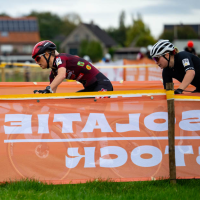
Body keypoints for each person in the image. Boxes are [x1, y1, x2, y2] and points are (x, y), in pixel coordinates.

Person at [32, 40, 113, 94]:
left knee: (96, 114)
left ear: (46, 54)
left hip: (102, 84)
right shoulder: (53, 74)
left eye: (38, 58)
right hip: (91, 88)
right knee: (71, 103)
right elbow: (51, 94)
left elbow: (62, 75)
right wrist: (41, 95)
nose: (37, 62)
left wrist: (47, 89)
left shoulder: (60, 58)